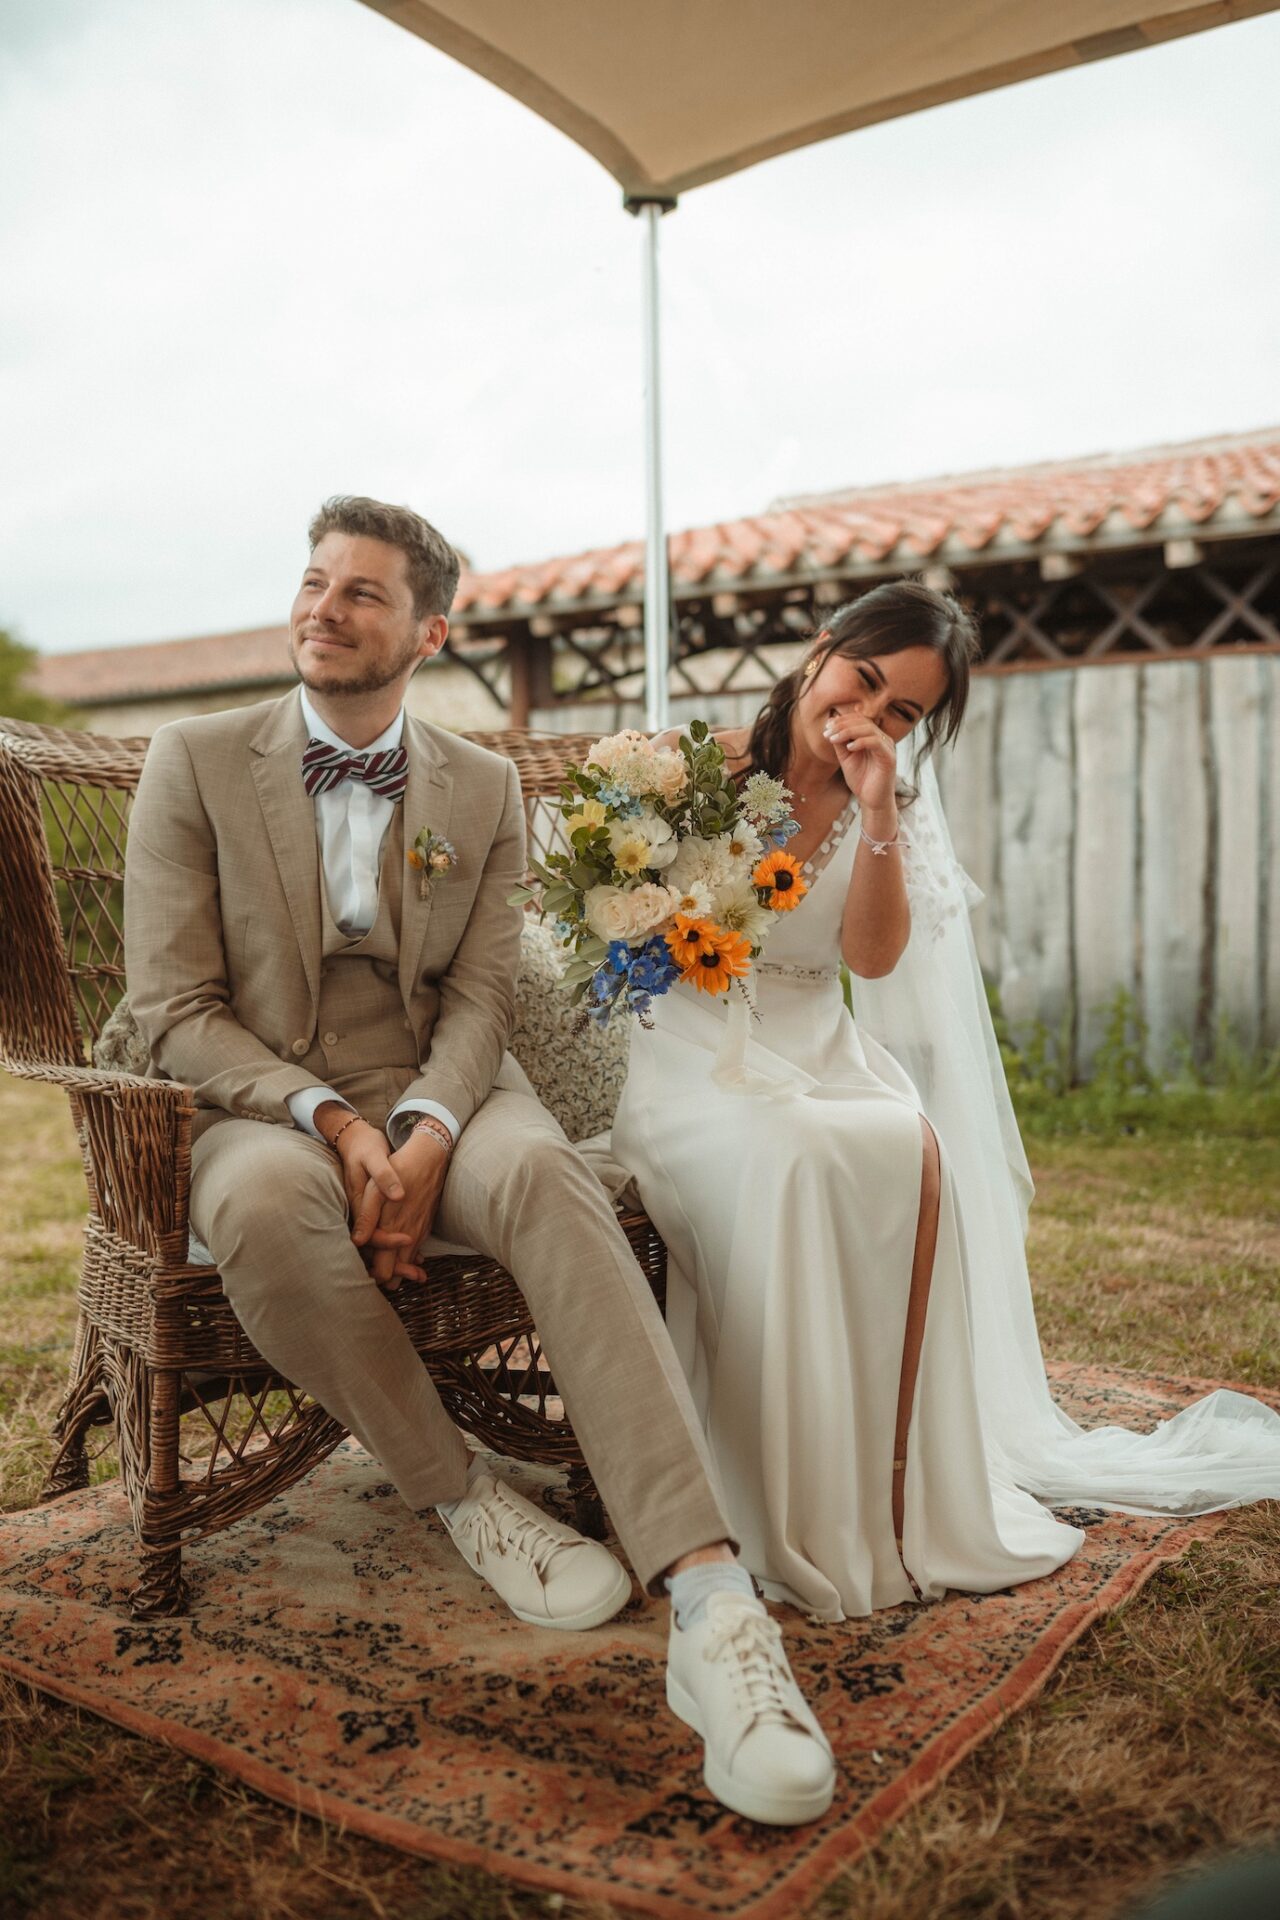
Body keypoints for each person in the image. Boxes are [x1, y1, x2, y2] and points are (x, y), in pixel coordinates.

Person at [123, 495, 836, 1827]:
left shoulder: (485, 785)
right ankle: (464, 1495)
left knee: (554, 1180)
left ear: (428, 628)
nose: (321, 608)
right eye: (313, 581)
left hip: (446, 1091)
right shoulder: (194, 759)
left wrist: (427, 1131)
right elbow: (173, 1010)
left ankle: (711, 1605)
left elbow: (483, 1000)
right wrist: (332, 1123)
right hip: (259, 1102)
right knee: (273, 1217)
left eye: (361, 593)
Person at [611, 581, 1280, 1621]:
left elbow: (870, 963)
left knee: (898, 1143)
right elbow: (622, 941)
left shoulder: (890, 804)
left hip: (814, 1045)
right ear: (821, 649)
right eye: (861, 682)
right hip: (689, 1054)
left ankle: (877, 1487)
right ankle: (765, 1495)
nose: (864, 719)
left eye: (900, 714)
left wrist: (874, 809)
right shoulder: (691, 774)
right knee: (792, 1156)